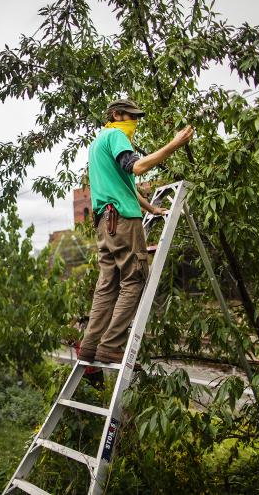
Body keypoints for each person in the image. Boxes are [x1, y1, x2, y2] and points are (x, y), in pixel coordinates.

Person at [77, 98, 194, 364]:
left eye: (137, 118)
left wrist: (150, 208)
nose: (135, 123)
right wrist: (175, 144)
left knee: (107, 286)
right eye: (131, 116)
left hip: (104, 223)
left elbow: (122, 183)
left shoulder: (97, 144)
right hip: (122, 220)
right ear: (116, 114)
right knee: (135, 279)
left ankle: (90, 345)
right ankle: (111, 346)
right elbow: (137, 167)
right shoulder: (117, 135)